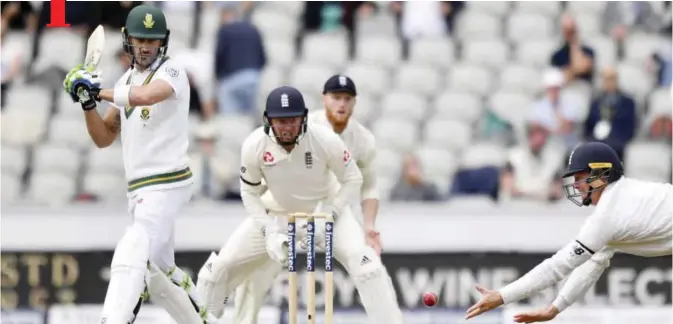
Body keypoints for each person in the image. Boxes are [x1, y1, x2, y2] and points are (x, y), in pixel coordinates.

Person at [195, 86, 404, 323]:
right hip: (276, 213)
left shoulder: (324, 139)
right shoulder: (254, 145)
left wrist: (331, 213)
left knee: (368, 268)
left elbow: (353, 178)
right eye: (280, 121)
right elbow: (249, 193)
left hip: (325, 213)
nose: (286, 127)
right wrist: (269, 231)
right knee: (214, 273)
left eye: (292, 120)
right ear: (267, 120)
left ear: (304, 118)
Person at [62, 5, 215, 324]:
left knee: (134, 247)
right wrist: (88, 104)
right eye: (140, 39)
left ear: (163, 42)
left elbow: (145, 96)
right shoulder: (126, 81)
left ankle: (113, 319)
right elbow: (104, 138)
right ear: (128, 40)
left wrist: (97, 90)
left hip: (168, 182)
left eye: (153, 40)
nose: (146, 46)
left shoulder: (172, 72)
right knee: (161, 275)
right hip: (140, 190)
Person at [465, 142, 673, 323]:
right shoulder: (620, 199)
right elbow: (592, 263)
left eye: (580, 177)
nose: (575, 185)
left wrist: (502, 295)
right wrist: (555, 308)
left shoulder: (607, 216)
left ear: (601, 175)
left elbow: (556, 267)